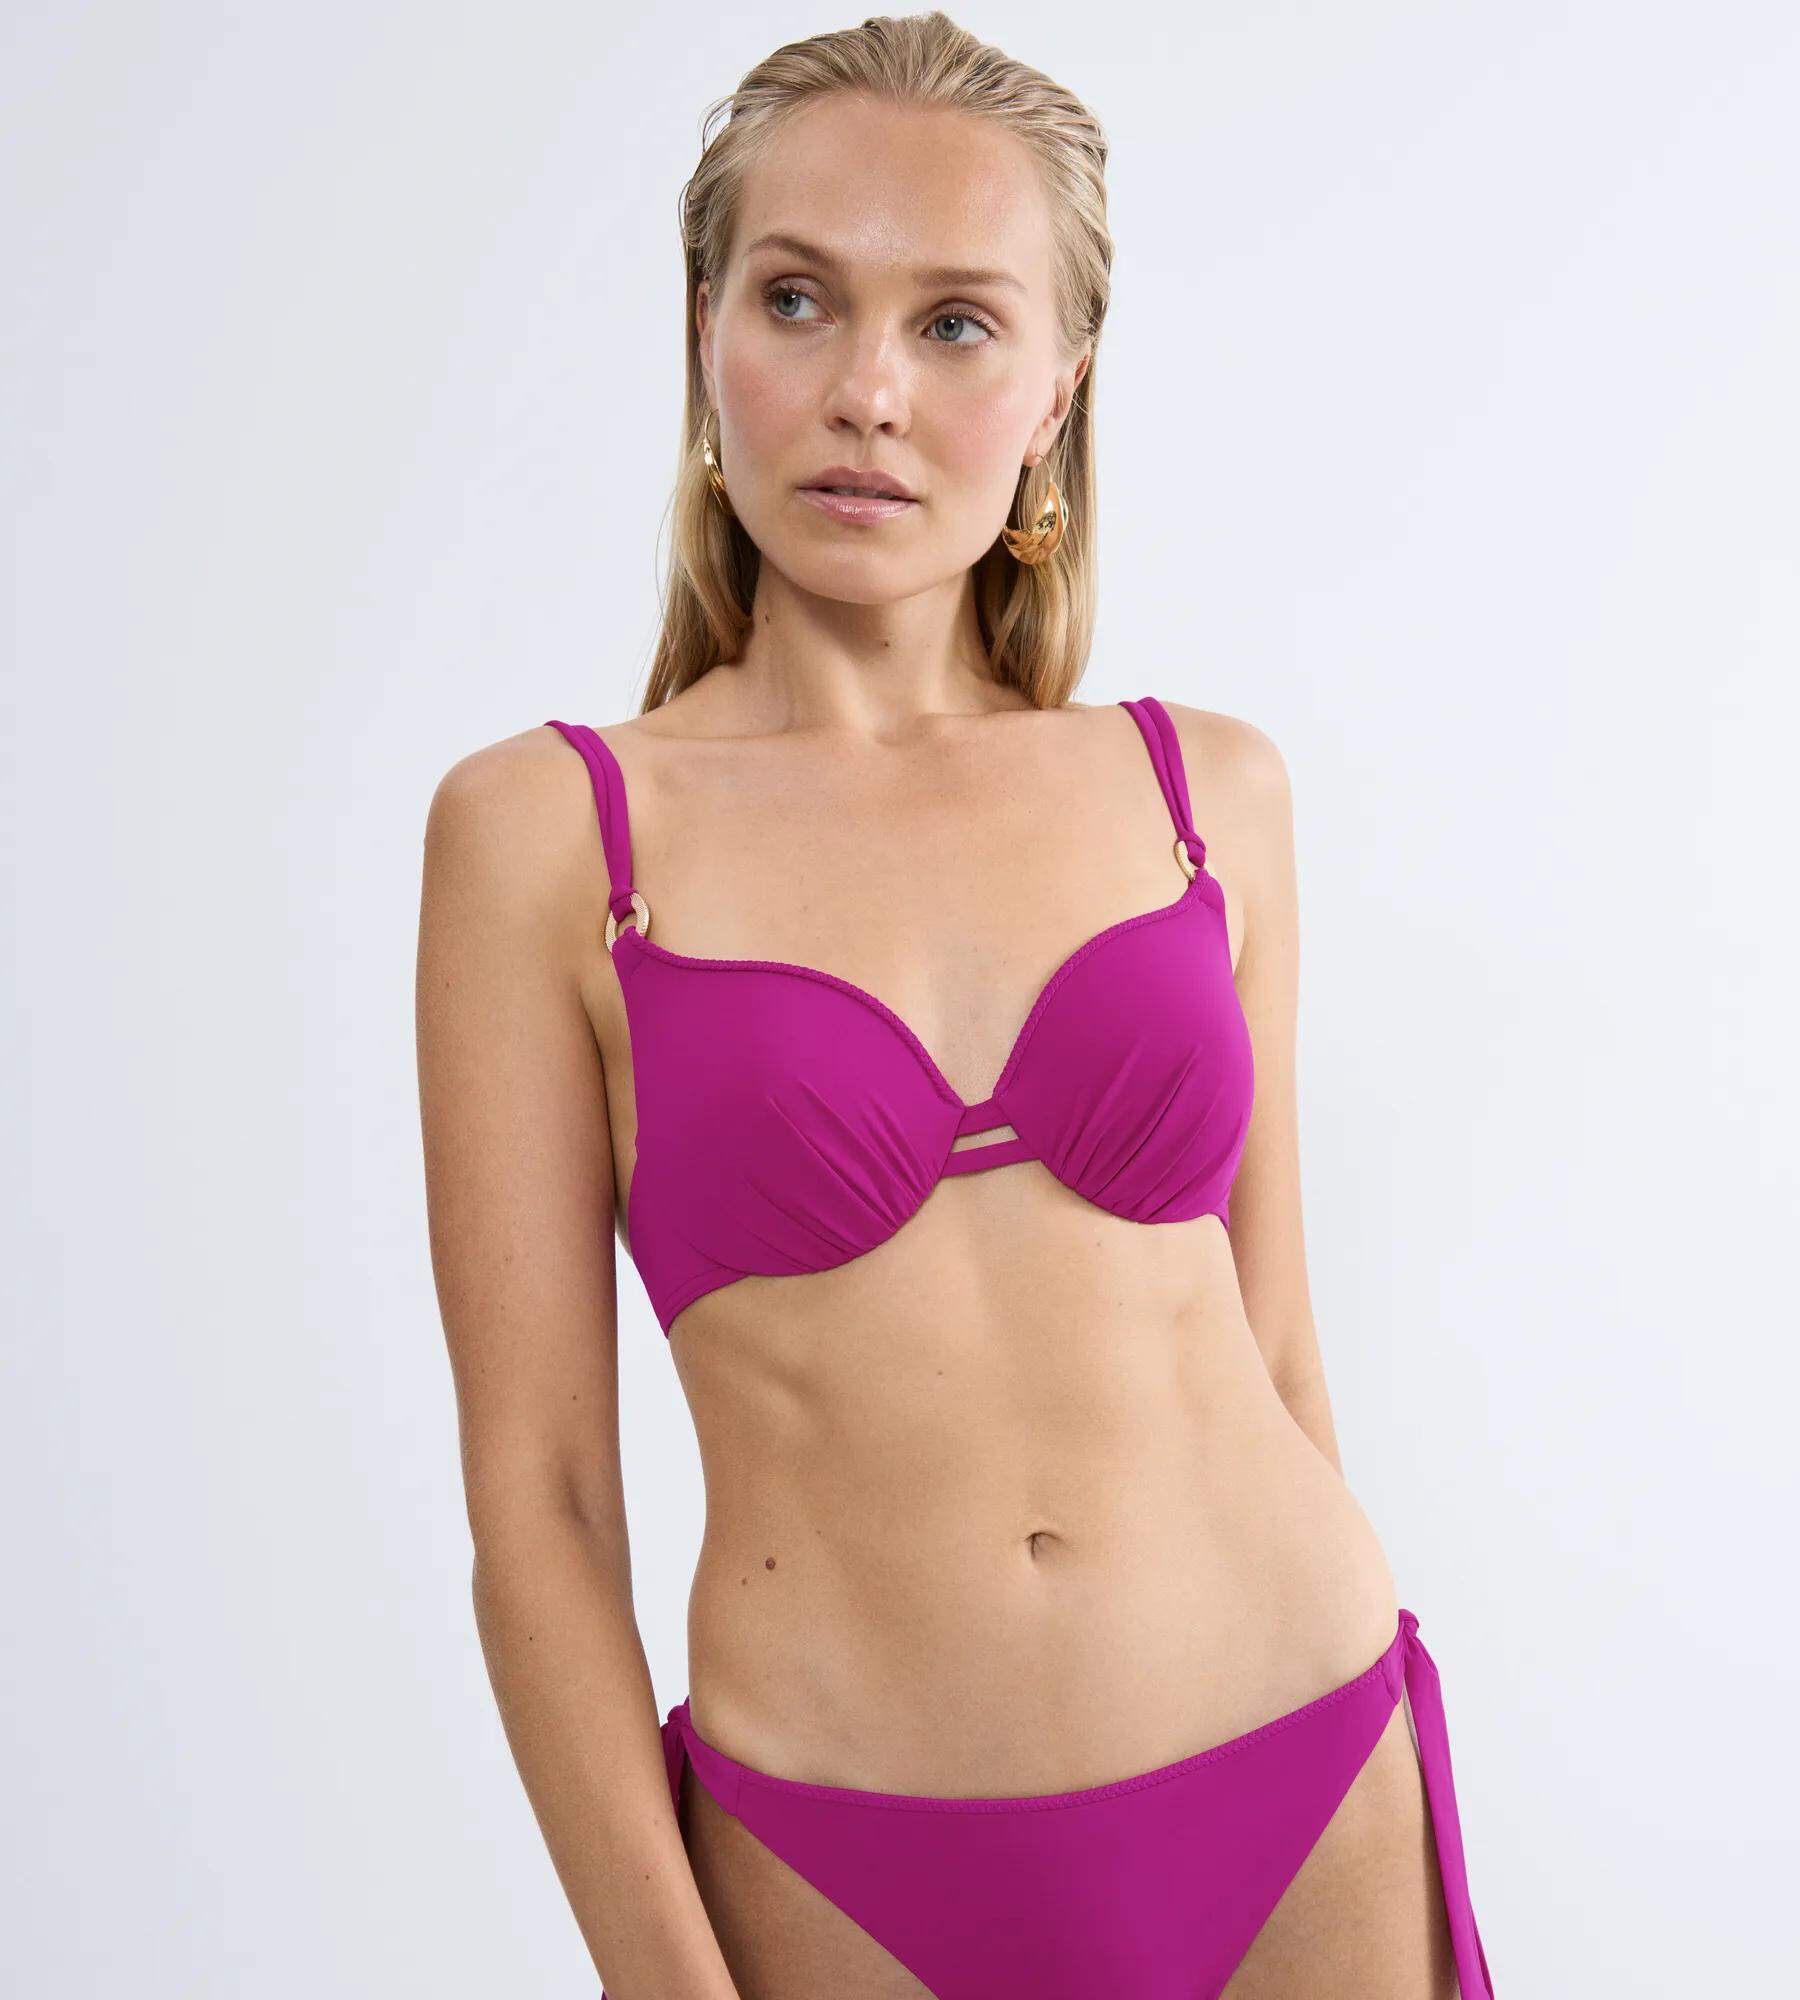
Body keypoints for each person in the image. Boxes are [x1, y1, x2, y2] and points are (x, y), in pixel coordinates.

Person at [416, 14, 1496, 1997]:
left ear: (1059, 385)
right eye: (798, 299)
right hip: (849, 1863)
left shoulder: (1206, 793)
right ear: (702, 330)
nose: (866, 393)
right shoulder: (546, 836)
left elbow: (1276, 1348)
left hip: (1310, 1776)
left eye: (955, 324)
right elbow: (543, 1506)